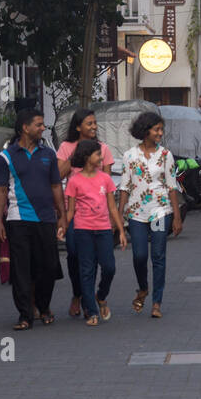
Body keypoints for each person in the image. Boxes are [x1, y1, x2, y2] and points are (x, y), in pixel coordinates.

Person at [0, 110, 68, 330]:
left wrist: (62, 215)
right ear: (25, 128)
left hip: (46, 219)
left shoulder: (48, 155)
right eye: (39, 124)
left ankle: (44, 308)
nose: (43, 128)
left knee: (48, 266)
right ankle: (25, 315)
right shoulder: (6, 157)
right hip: (18, 218)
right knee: (21, 269)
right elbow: (0, 190)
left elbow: (56, 186)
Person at [118, 111, 183, 318]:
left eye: (161, 130)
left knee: (158, 256)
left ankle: (157, 302)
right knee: (139, 255)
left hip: (159, 212)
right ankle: (143, 287)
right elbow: (124, 187)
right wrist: (119, 215)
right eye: (157, 129)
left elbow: (172, 187)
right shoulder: (129, 156)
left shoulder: (165, 155)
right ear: (145, 131)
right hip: (136, 214)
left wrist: (177, 216)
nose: (160, 133)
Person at [56, 108, 115, 318]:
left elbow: (107, 182)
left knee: (101, 261)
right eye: (89, 123)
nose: (93, 127)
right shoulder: (65, 147)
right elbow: (59, 175)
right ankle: (78, 294)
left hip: (97, 214)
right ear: (78, 126)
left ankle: (95, 295)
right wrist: (76, 153)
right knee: (73, 253)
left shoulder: (103, 148)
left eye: (95, 123)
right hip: (72, 211)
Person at [63, 139, 128, 326]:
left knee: (109, 267)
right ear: (86, 157)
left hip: (104, 230)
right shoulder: (75, 181)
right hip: (83, 230)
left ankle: (101, 295)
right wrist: (63, 227)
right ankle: (92, 312)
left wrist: (121, 231)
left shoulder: (105, 179)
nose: (101, 157)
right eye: (98, 154)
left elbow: (112, 207)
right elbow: (71, 211)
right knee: (87, 270)